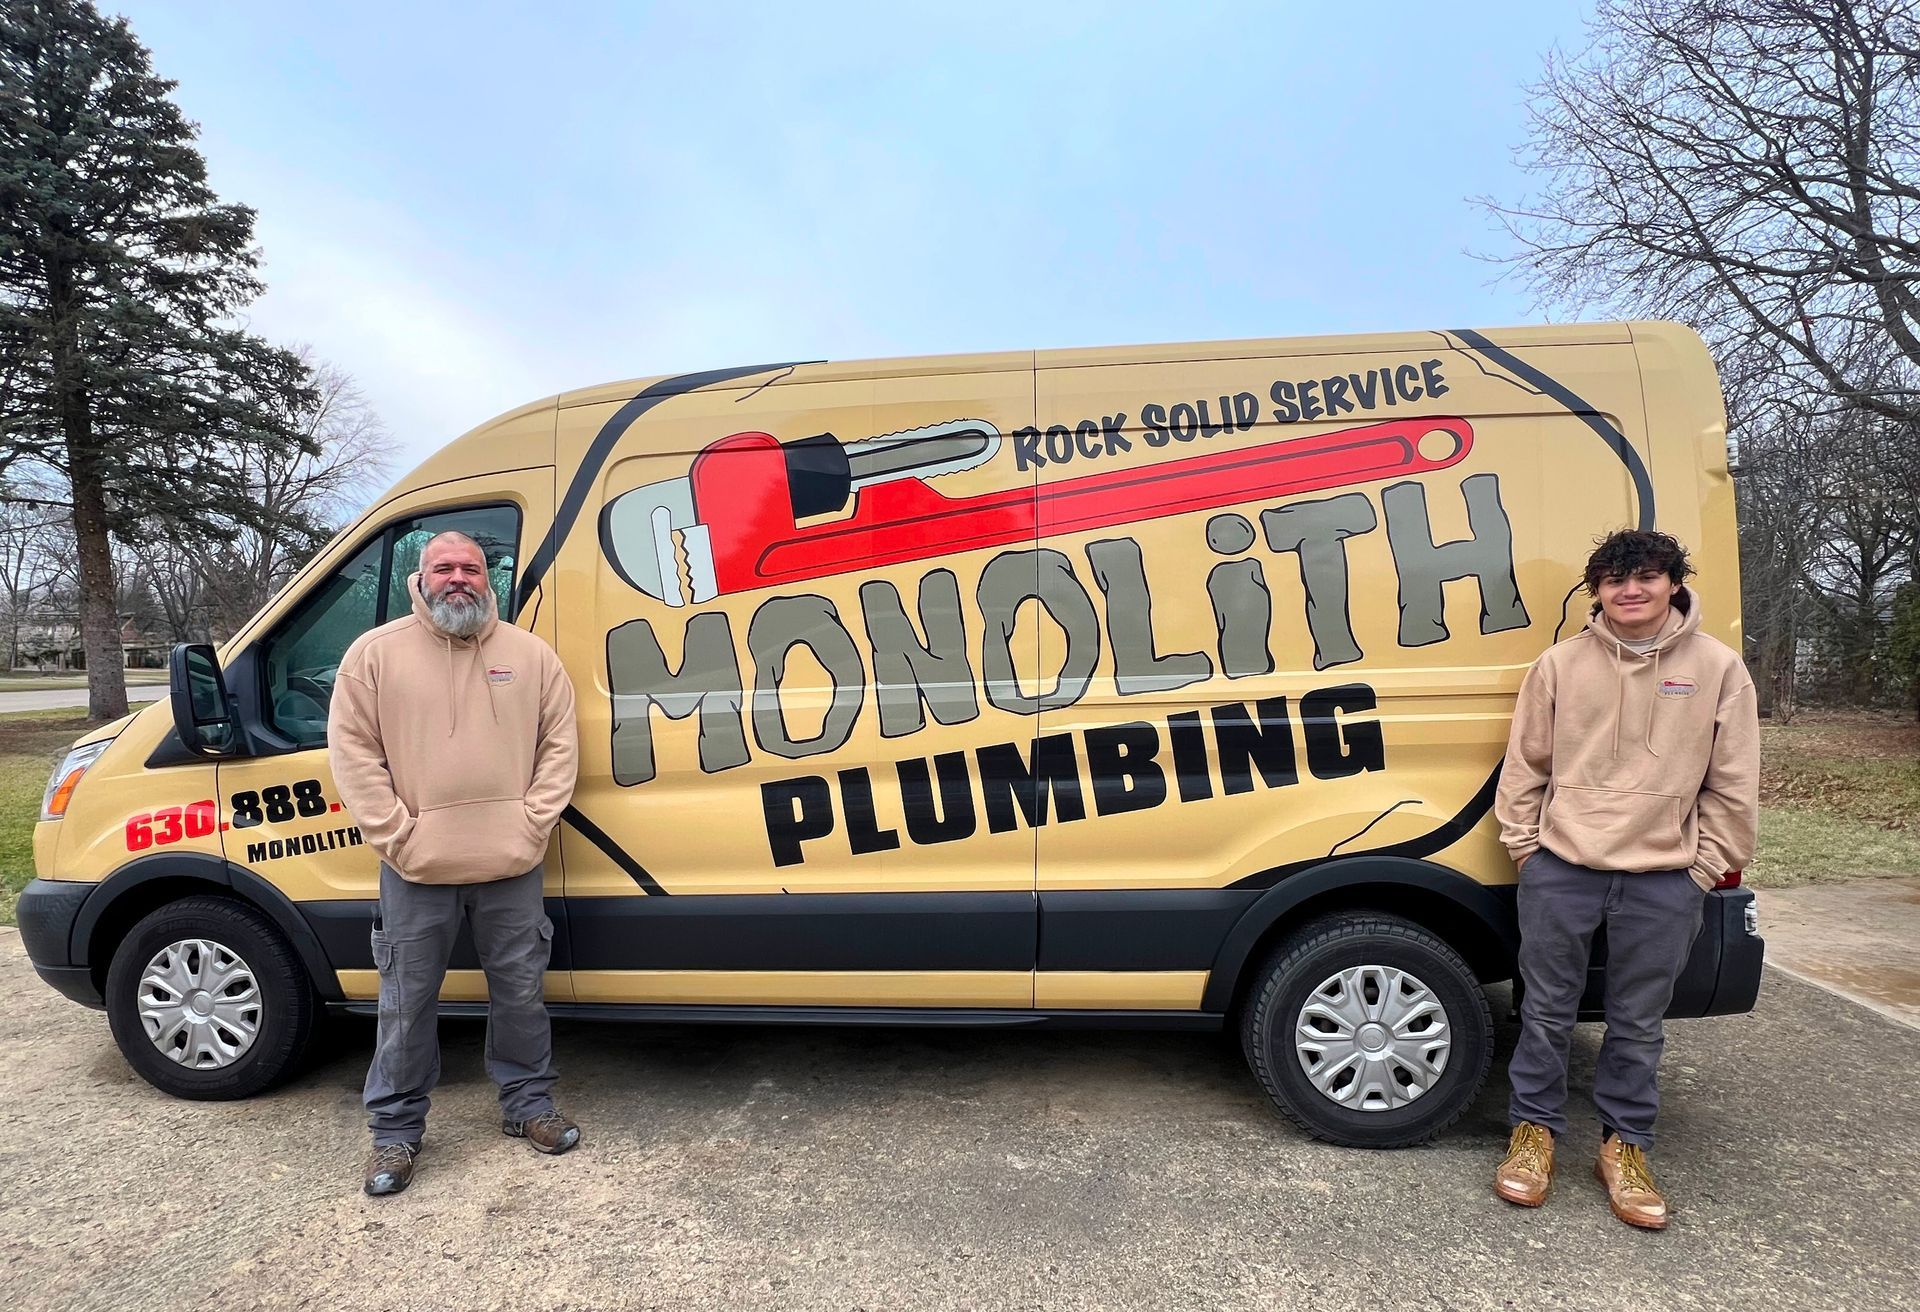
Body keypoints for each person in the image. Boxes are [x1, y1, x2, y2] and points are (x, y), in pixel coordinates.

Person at [1491, 529, 1758, 1229]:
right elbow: (1526, 767)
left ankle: (1625, 1146)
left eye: (1645, 576)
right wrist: (1528, 852)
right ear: (1597, 591)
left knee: (1637, 1024)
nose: (1629, 590)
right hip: (1562, 869)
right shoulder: (1559, 666)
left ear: (1673, 582)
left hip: (1665, 878)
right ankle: (1533, 1134)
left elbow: (1733, 783)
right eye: (1614, 579)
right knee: (1545, 1012)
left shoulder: (1718, 668)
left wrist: (1701, 870)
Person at [329, 531, 581, 1197]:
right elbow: (352, 753)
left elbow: (560, 744)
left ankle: (529, 1108)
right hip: (415, 868)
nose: (458, 578)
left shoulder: (530, 656)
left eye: (470, 566)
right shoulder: (373, 656)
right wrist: (398, 836)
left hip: (512, 863)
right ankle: (395, 1133)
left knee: (522, 992)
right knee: (406, 1003)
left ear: (487, 575)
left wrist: (532, 826)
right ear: (423, 576)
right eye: (445, 567)